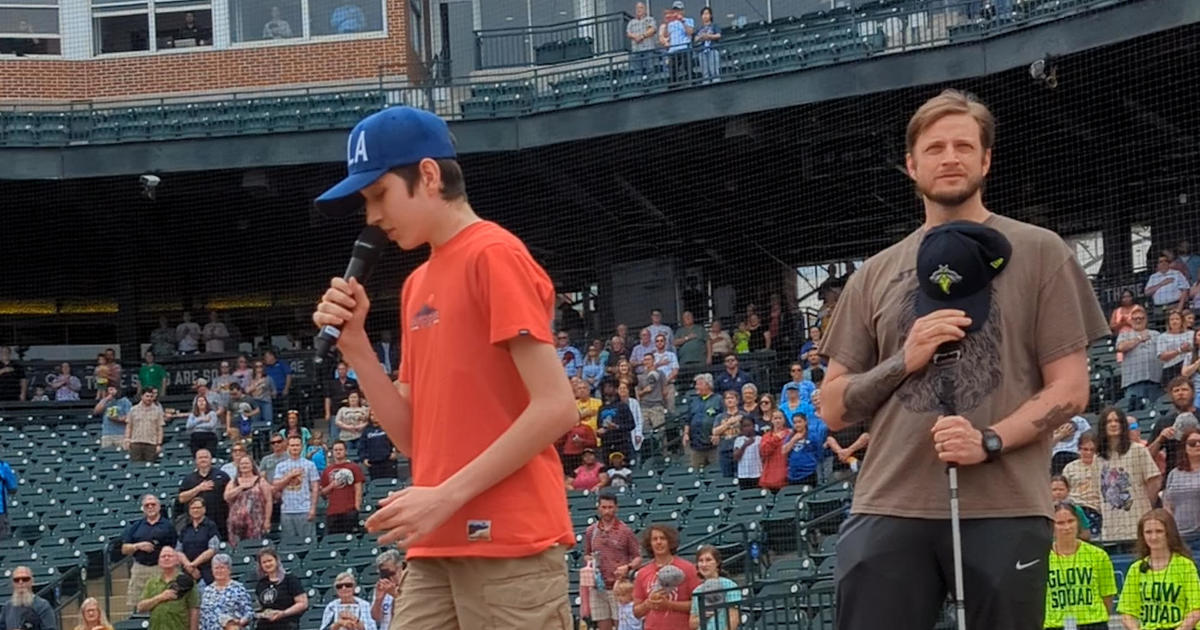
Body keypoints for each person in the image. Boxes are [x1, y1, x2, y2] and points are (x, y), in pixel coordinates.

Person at [817, 89, 1108, 630]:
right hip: (889, 503)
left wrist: (989, 439)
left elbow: (1070, 388)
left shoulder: (1041, 252)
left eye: (962, 145)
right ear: (911, 165)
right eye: (934, 148)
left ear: (985, 159)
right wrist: (904, 359)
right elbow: (834, 409)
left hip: (1006, 505)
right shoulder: (875, 273)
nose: (949, 157)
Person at [311, 106, 576, 628]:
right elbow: (415, 439)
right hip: (434, 543)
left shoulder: (494, 254)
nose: (371, 217)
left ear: (428, 175)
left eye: (379, 194)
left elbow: (557, 407)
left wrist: (445, 496)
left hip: (509, 543)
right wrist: (359, 349)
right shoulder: (416, 285)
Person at [1116, 509, 1200, 629]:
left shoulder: (1185, 566)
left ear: (1169, 533)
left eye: (1159, 531)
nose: (1154, 537)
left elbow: (1196, 610)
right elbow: (1127, 613)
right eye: (1148, 532)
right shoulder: (1136, 569)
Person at [1043, 501, 1115, 630]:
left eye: (1071, 521)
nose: (1067, 527)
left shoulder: (1098, 555)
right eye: (1060, 523)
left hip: (1093, 623)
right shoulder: (1042, 558)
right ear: (1051, 526)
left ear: (1078, 523)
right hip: (1055, 625)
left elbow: (1107, 596)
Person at [633, 524, 700, 630]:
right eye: (655, 539)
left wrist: (669, 605)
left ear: (670, 542)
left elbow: (698, 604)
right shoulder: (642, 573)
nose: (659, 542)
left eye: (662, 538)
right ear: (650, 544)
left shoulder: (688, 568)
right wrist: (648, 604)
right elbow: (636, 612)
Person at [252, 548, 307, 630]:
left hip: (287, 623)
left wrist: (283, 613)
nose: (267, 564)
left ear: (276, 561)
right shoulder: (261, 584)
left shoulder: (290, 579)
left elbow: (303, 604)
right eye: (264, 562)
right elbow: (260, 607)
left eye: (270, 560)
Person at [688, 545, 739, 630]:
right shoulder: (697, 591)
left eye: (708, 560)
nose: (704, 564)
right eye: (701, 561)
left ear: (717, 563)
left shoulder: (729, 585)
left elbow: (733, 618)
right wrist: (702, 617)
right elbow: (692, 624)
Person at [0, 566, 57, 630]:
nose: (20, 582)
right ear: (13, 583)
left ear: (32, 581)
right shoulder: (7, 607)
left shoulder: (43, 606)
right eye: (16, 580)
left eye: (25, 579)